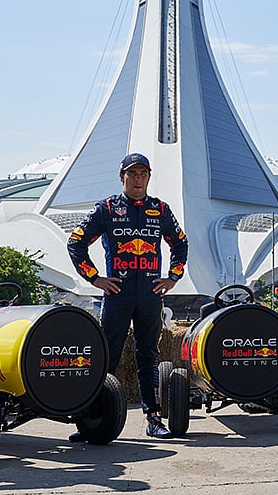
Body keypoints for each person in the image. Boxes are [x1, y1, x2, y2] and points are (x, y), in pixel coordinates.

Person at [67, 153, 188, 439]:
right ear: (121, 177)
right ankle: (91, 420)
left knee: (148, 356)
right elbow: (76, 242)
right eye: (132, 174)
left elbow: (180, 243)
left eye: (143, 173)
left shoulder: (160, 209)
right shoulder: (107, 208)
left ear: (148, 177)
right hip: (117, 295)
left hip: (150, 295)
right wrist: (95, 278)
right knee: (104, 357)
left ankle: (153, 419)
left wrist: (173, 277)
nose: (137, 179)